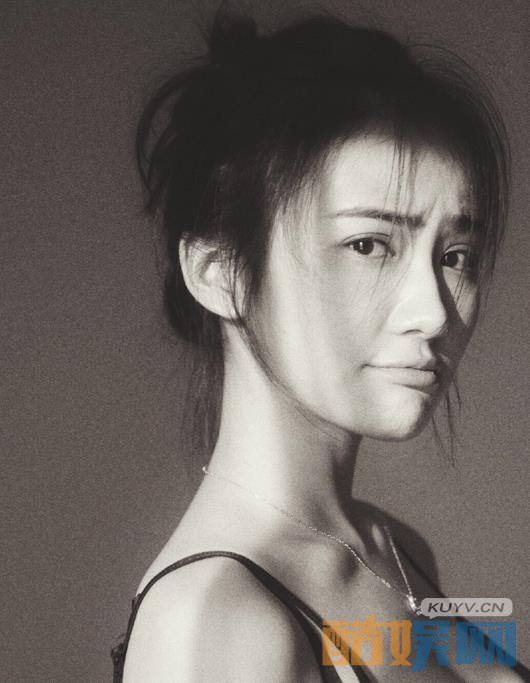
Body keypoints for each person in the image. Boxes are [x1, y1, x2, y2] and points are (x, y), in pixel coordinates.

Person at [112, 10, 526, 682]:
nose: (432, 312)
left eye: (455, 255)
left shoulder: (393, 551)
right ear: (221, 274)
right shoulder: (216, 622)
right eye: (369, 245)